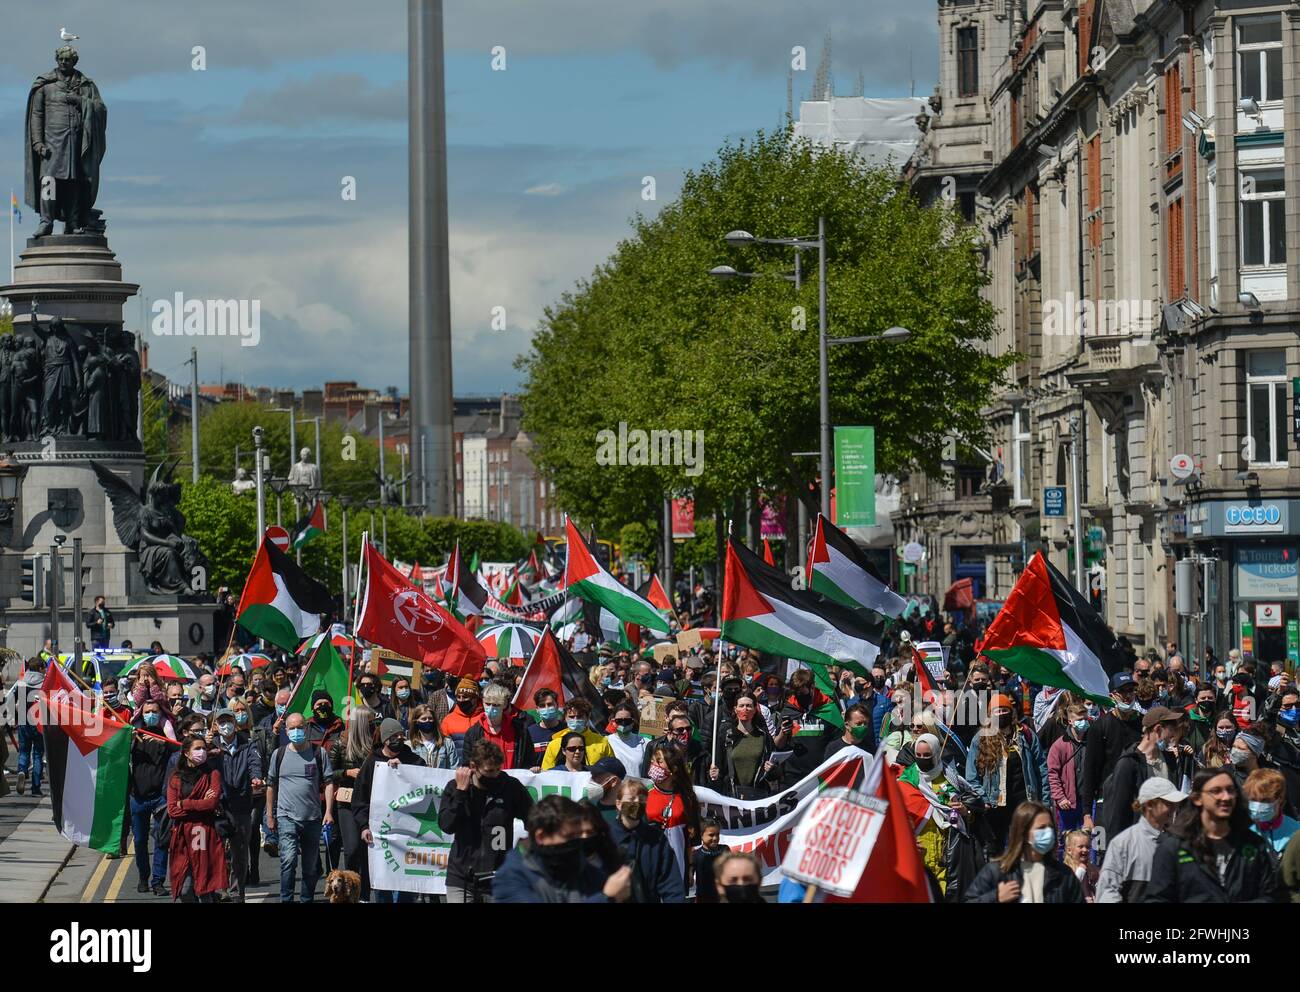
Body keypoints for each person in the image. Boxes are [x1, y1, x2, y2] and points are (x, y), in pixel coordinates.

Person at [1145, 767, 1286, 902]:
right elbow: (1156, 898)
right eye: (1216, 791)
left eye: (1230, 790)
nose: (1226, 797)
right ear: (1197, 799)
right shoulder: (1174, 847)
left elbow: (1271, 896)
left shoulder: (1253, 845)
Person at [437, 740, 534, 903]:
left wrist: (524, 847)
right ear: (473, 766)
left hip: (498, 878)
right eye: (489, 771)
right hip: (462, 878)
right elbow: (447, 825)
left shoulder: (511, 787)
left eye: (498, 769)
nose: (495, 775)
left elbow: (534, 820)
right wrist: (461, 793)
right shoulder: (455, 787)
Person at [493, 796, 633, 904]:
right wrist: (606, 898)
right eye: (569, 836)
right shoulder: (511, 876)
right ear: (541, 837)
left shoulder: (583, 870)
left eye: (578, 835)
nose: (578, 842)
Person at [266, 712, 336, 903]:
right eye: (292, 728)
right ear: (286, 731)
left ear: (306, 728)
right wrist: (270, 815)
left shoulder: (318, 753)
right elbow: (270, 785)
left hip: (312, 818)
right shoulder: (278, 754)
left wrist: (328, 811)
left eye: (300, 727)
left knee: (310, 865)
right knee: (288, 861)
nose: (297, 731)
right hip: (286, 817)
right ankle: (286, 899)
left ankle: (306, 899)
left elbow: (329, 782)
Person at [966, 694, 1049, 852]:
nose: (1001, 714)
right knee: (995, 851)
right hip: (995, 806)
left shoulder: (1026, 735)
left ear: (1011, 712)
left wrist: (1044, 802)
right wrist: (983, 798)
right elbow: (971, 777)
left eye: (1005, 710)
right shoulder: (980, 739)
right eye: (997, 711)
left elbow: (1041, 769)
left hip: (1024, 803)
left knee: (1025, 847)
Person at [354, 719, 425, 902]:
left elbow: (425, 786)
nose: (399, 739)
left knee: (406, 883)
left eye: (401, 735)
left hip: (407, 832)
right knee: (383, 883)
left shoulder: (415, 760)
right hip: (381, 833)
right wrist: (363, 826)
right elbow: (360, 799)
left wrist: (405, 770)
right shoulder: (372, 763)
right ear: (385, 739)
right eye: (394, 736)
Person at [1101, 706, 1191, 842]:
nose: (1173, 735)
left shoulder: (1170, 760)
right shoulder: (1129, 764)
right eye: (1171, 729)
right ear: (1158, 729)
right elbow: (1118, 812)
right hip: (1137, 842)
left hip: (1163, 840)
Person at [963, 801, 1083, 903]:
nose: (1048, 832)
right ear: (1024, 832)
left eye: (1050, 827)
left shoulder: (1063, 875)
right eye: (1041, 828)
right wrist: (995, 897)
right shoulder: (997, 871)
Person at [1096, 776, 1186, 903]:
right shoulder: (1123, 843)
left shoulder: (1177, 843)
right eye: (1168, 803)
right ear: (1149, 805)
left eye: (1175, 804)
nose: (1174, 808)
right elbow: (1107, 891)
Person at [1080, 672, 1143, 840]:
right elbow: (1090, 770)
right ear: (1112, 696)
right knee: (1102, 853)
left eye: (1131, 690)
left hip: (1136, 802)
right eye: (1122, 691)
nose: (1128, 695)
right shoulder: (1099, 727)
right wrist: (1087, 814)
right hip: (1105, 803)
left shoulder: (1143, 724)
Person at [165, 735, 228, 903]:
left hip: (203, 833)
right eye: (197, 749)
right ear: (186, 753)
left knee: (205, 887)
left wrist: (185, 803)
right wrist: (200, 804)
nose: (202, 752)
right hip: (182, 837)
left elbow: (211, 803)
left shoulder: (212, 774)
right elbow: (172, 810)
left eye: (203, 749)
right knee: (185, 890)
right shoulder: (176, 778)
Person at [607, 778, 686, 903]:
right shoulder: (606, 839)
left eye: (642, 799)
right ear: (618, 803)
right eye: (632, 799)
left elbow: (671, 884)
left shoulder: (657, 840)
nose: (637, 803)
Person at [214, 704, 262, 902]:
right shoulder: (211, 747)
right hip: (218, 807)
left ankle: (236, 893)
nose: (226, 725)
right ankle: (220, 889)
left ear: (235, 724)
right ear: (216, 726)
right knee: (218, 852)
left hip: (241, 805)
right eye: (222, 722)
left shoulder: (248, 744)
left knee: (239, 854)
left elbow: (254, 764)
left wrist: (256, 778)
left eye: (229, 721)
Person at [128, 700, 173, 895]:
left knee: (162, 840)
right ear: (141, 714)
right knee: (139, 841)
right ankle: (143, 877)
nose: (151, 715)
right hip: (137, 797)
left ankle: (158, 881)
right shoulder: (135, 734)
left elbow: (179, 753)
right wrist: (129, 739)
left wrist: (166, 743)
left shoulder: (168, 736)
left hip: (160, 798)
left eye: (155, 711)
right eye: (147, 712)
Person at [709, 692, 789, 799]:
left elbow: (774, 771)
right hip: (731, 796)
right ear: (735, 709)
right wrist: (714, 774)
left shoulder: (763, 736)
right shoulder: (727, 736)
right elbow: (719, 769)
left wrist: (772, 769)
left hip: (758, 795)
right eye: (741, 706)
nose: (745, 709)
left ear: (755, 709)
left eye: (749, 706)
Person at [331, 704, 375, 899]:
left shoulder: (376, 742)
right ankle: (349, 888)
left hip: (370, 802)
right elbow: (328, 773)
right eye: (369, 722)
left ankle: (363, 894)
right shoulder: (341, 743)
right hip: (347, 802)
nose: (373, 726)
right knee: (351, 849)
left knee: (367, 851)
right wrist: (347, 772)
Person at [1047, 702, 1090, 841]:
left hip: (1088, 801)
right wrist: (1060, 797)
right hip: (1067, 802)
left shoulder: (1093, 741)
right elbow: (1052, 773)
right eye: (1079, 720)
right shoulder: (1059, 745)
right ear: (1070, 721)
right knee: (1066, 839)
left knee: (1090, 838)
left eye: (1085, 719)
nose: (1083, 722)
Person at [462, 682, 530, 768]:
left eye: (495, 705)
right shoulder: (473, 732)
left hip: (513, 780)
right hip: (484, 781)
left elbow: (529, 760)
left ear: (504, 705)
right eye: (487, 704)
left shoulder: (520, 729)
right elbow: (467, 764)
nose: (491, 708)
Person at [645, 743, 701, 845]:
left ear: (673, 768)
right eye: (652, 762)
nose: (654, 766)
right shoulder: (644, 794)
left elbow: (694, 837)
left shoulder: (687, 797)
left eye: (659, 762)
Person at [540, 697, 614, 770]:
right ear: (565, 718)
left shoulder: (602, 742)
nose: (575, 720)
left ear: (588, 717)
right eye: (571, 717)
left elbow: (613, 769)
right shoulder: (555, 744)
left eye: (580, 716)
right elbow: (546, 774)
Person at [1242, 768, 1300, 853]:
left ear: (1279, 799)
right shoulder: (1239, 830)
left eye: (1265, 800)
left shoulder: (1296, 832)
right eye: (1253, 800)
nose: (1258, 806)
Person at [440, 677, 482, 764]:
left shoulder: (484, 718)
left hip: (481, 768)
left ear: (475, 698)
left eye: (465, 697)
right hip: (456, 769)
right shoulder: (448, 720)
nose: (461, 700)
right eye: (458, 697)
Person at [691, 816, 730, 903]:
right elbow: (689, 881)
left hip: (723, 898)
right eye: (711, 835)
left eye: (717, 834)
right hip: (703, 899)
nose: (715, 838)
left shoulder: (725, 850)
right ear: (701, 835)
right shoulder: (695, 854)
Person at [605, 699, 648, 777]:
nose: (623, 724)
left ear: (633, 722)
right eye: (619, 721)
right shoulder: (606, 742)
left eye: (627, 721)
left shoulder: (644, 742)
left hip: (638, 787)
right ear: (613, 721)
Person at [407, 702, 458, 768]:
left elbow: (453, 768)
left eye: (430, 718)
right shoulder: (409, 746)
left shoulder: (447, 743)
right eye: (424, 719)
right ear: (416, 722)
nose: (427, 721)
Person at [1062, 829, 1099, 901]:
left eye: (1088, 847)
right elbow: (1071, 887)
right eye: (1081, 846)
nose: (1085, 850)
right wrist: (1081, 870)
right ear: (1069, 850)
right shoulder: (1067, 869)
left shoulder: (1090, 868)